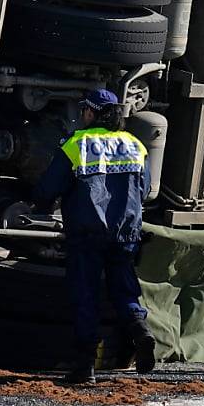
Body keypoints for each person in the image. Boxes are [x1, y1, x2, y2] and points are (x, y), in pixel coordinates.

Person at [33, 89, 155, 385]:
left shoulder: (77, 144)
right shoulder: (134, 145)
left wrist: (40, 205)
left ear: (91, 113)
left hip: (87, 235)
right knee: (125, 291)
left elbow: (49, 188)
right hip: (126, 233)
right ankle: (140, 330)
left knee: (85, 296)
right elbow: (145, 190)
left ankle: (85, 366)